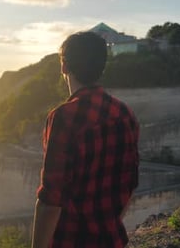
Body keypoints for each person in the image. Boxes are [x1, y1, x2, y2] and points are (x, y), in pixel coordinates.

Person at [32, 31, 140, 248]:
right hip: (112, 240)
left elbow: (51, 201)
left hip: (71, 241)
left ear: (64, 66)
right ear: (102, 66)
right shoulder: (124, 113)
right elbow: (130, 182)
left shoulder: (64, 117)